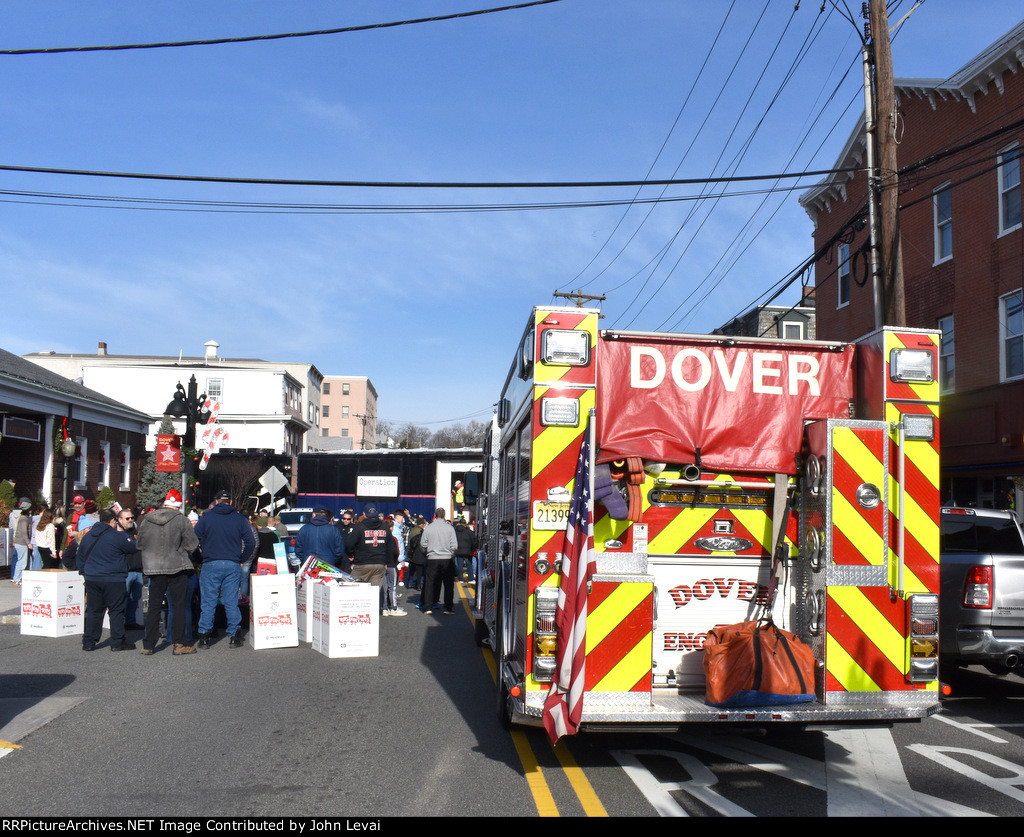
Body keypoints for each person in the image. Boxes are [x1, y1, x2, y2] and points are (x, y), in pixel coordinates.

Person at [136, 489, 200, 656]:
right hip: (177, 566)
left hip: (154, 567)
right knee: (178, 606)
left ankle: (148, 644)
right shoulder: (182, 520)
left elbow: (140, 544)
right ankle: (179, 644)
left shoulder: (146, 520)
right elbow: (192, 545)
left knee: (154, 607)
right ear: (178, 506)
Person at [193, 489, 256, 649]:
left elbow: (193, 540)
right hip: (232, 563)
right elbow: (251, 542)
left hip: (211, 563)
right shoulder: (239, 519)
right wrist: (241, 558)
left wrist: (199, 558)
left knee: (208, 602)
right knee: (231, 601)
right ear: (231, 502)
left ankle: (205, 636)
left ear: (215, 501)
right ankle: (234, 635)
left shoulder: (206, 517)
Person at [78, 507, 141, 652]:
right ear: (113, 520)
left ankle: (89, 642)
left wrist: (85, 573)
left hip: (92, 577)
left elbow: (80, 557)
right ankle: (117, 641)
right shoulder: (117, 536)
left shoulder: (88, 536)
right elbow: (134, 547)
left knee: (94, 610)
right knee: (116, 610)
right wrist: (123, 533)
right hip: (113, 578)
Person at [344, 504, 397, 611]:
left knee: (354, 593)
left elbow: (349, 544)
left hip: (362, 563)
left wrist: (350, 554)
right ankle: (370, 616)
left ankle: (357, 615)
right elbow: (392, 548)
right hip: (379, 564)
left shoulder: (359, 527)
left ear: (364, 514)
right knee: (373, 595)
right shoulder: (384, 527)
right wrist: (387, 561)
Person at [419, 508, 458, 615]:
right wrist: (451, 555)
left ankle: (428, 607)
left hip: (432, 557)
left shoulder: (429, 528)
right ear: (444, 515)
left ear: (435, 515)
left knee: (430, 583)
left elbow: (422, 544)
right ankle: (448, 607)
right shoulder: (450, 528)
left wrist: (427, 554)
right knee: (448, 584)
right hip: (446, 558)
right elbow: (454, 546)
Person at [382, 518, 406, 616]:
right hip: (391, 564)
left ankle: (384, 608)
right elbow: (396, 552)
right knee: (392, 587)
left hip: (382, 565)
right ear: (391, 528)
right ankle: (393, 607)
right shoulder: (393, 539)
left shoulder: (381, 539)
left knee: (384, 587)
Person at [9, 498, 31, 585]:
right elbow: (23, 532)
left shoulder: (21, 518)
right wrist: (28, 542)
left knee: (21, 561)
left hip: (19, 542)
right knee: (22, 562)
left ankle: (17, 579)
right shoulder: (24, 519)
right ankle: (16, 579)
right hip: (22, 543)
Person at [454, 516, 478, 581]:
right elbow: (474, 540)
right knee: (469, 564)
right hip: (468, 550)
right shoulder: (469, 532)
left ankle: (461, 578)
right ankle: (470, 578)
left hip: (458, 550)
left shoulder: (455, 531)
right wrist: (473, 549)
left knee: (460, 565)